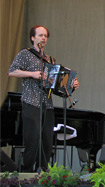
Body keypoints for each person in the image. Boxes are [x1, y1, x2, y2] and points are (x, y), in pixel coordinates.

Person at [8, 25, 79, 172]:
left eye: (45, 36)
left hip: (47, 104)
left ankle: (43, 171)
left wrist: (70, 85)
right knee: (33, 139)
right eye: (40, 35)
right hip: (31, 101)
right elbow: (12, 71)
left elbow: (55, 85)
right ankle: (27, 172)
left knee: (47, 140)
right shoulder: (25, 54)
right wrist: (32, 74)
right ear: (33, 38)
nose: (43, 38)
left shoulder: (50, 60)